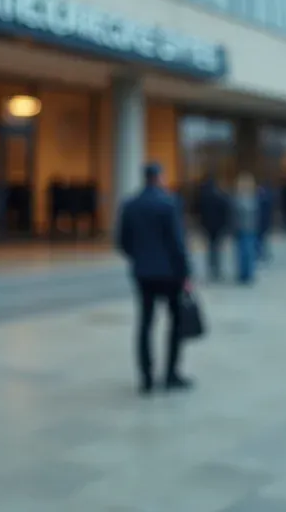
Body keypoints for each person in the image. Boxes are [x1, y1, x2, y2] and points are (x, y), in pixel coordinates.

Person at [116, 162, 193, 396]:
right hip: (170, 274)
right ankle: (171, 374)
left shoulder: (130, 204)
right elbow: (177, 244)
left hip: (143, 273)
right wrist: (185, 274)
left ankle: (146, 378)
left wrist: (138, 258)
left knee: (145, 323)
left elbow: (122, 241)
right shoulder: (169, 204)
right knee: (175, 323)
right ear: (159, 178)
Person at [195, 175, 230, 282]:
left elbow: (199, 211)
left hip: (208, 226)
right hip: (218, 227)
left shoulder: (203, 197)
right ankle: (217, 270)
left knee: (211, 248)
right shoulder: (220, 196)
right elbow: (225, 211)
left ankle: (211, 268)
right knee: (217, 249)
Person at [231, 172, 261, 285]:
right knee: (242, 253)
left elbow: (256, 215)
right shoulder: (238, 199)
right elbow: (234, 216)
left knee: (249, 252)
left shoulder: (252, 198)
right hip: (242, 230)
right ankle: (243, 274)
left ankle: (249, 274)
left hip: (250, 229)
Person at [255, 181, 275, 263]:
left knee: (261, 240)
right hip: (262, 223)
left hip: (261, 223)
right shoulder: (264, 200)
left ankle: (262, 254)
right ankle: (262, 254)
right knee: (261, 240)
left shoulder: (261, 201)